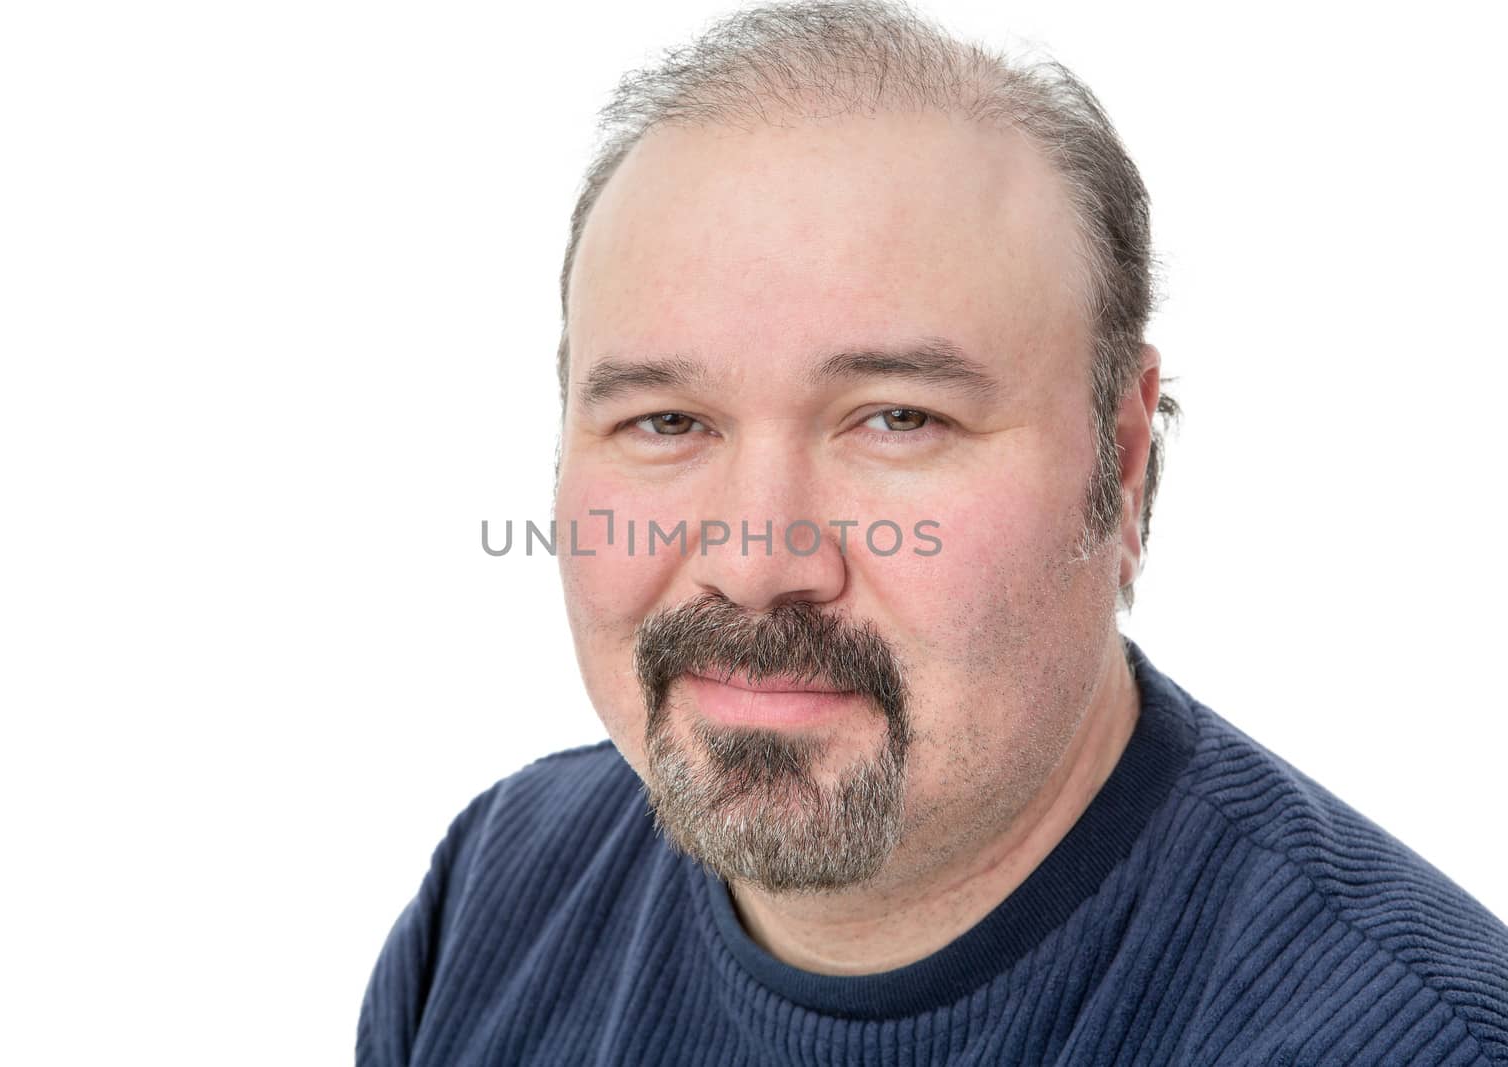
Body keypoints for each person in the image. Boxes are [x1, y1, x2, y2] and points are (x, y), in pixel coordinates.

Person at [357, 2, 1508, 1063]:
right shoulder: (499, 893)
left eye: (897, 419)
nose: (757, 565)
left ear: (1119, 458)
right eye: (665, 420)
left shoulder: (1411, 1036)